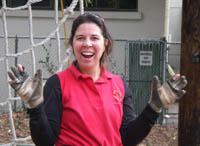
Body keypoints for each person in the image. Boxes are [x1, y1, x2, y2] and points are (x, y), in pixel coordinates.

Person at [7, 13, 187, 146]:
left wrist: (153, 108)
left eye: (94, 38)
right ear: (72, 44)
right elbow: (45, 142)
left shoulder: (119, 84)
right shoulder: (58, 83)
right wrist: (35, 107)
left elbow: (127, 138)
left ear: (105, 44)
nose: (87, 43)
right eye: (80, 38)